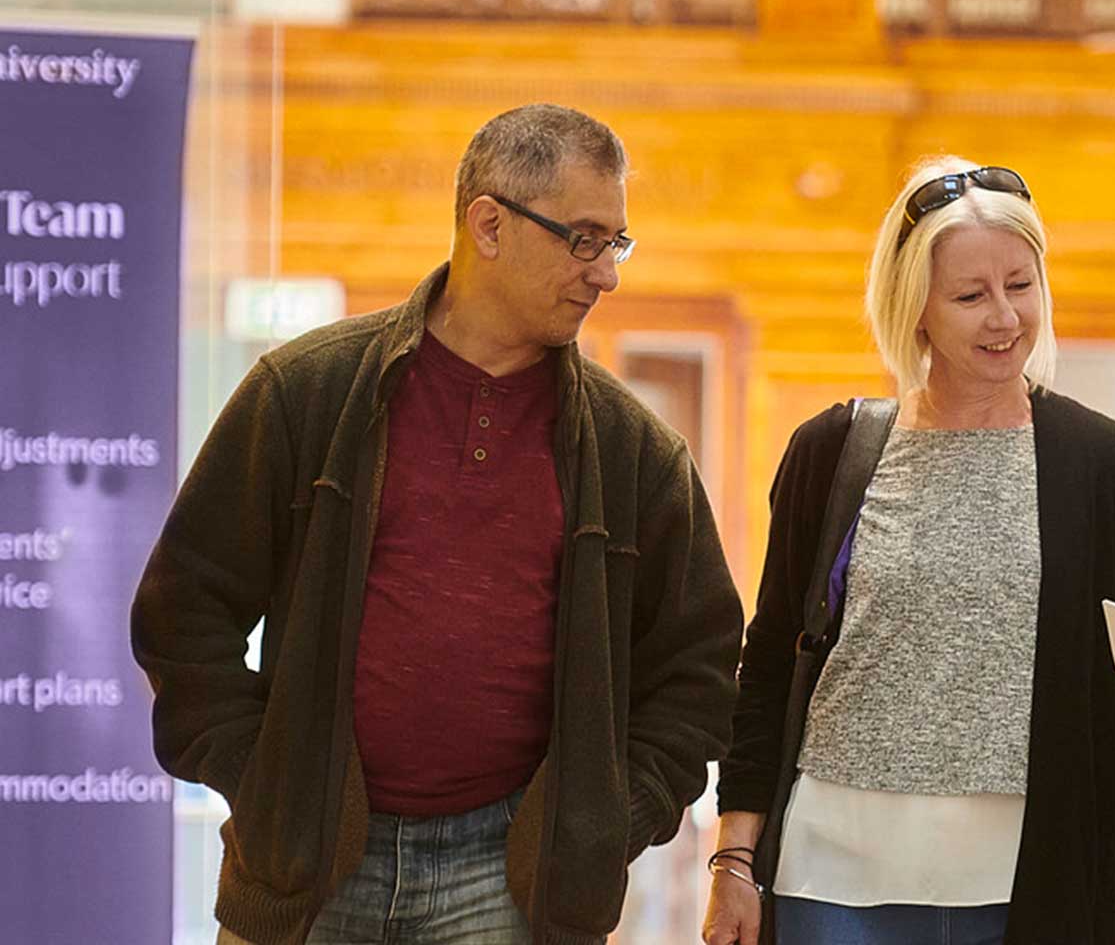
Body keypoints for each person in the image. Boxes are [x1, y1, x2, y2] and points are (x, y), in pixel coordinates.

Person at [131, 103, 744, 945]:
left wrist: (598, 821)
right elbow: (182, 613)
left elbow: (697, 671)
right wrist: (267, 780)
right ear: (488, 225)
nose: (607, 274)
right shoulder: (304, 392)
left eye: (616, 243)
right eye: (584, 239)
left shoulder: (634, 450)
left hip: (515, 884)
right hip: (305, 870)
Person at [702, 158, 1115, 945]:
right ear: (915, 307)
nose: (1004, 318)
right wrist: (733, 861)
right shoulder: (831, 452)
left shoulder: (1107, 467)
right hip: (832, 879)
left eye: (1020, 286)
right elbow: (768, 672)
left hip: (1033, 884)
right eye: (970, 296)